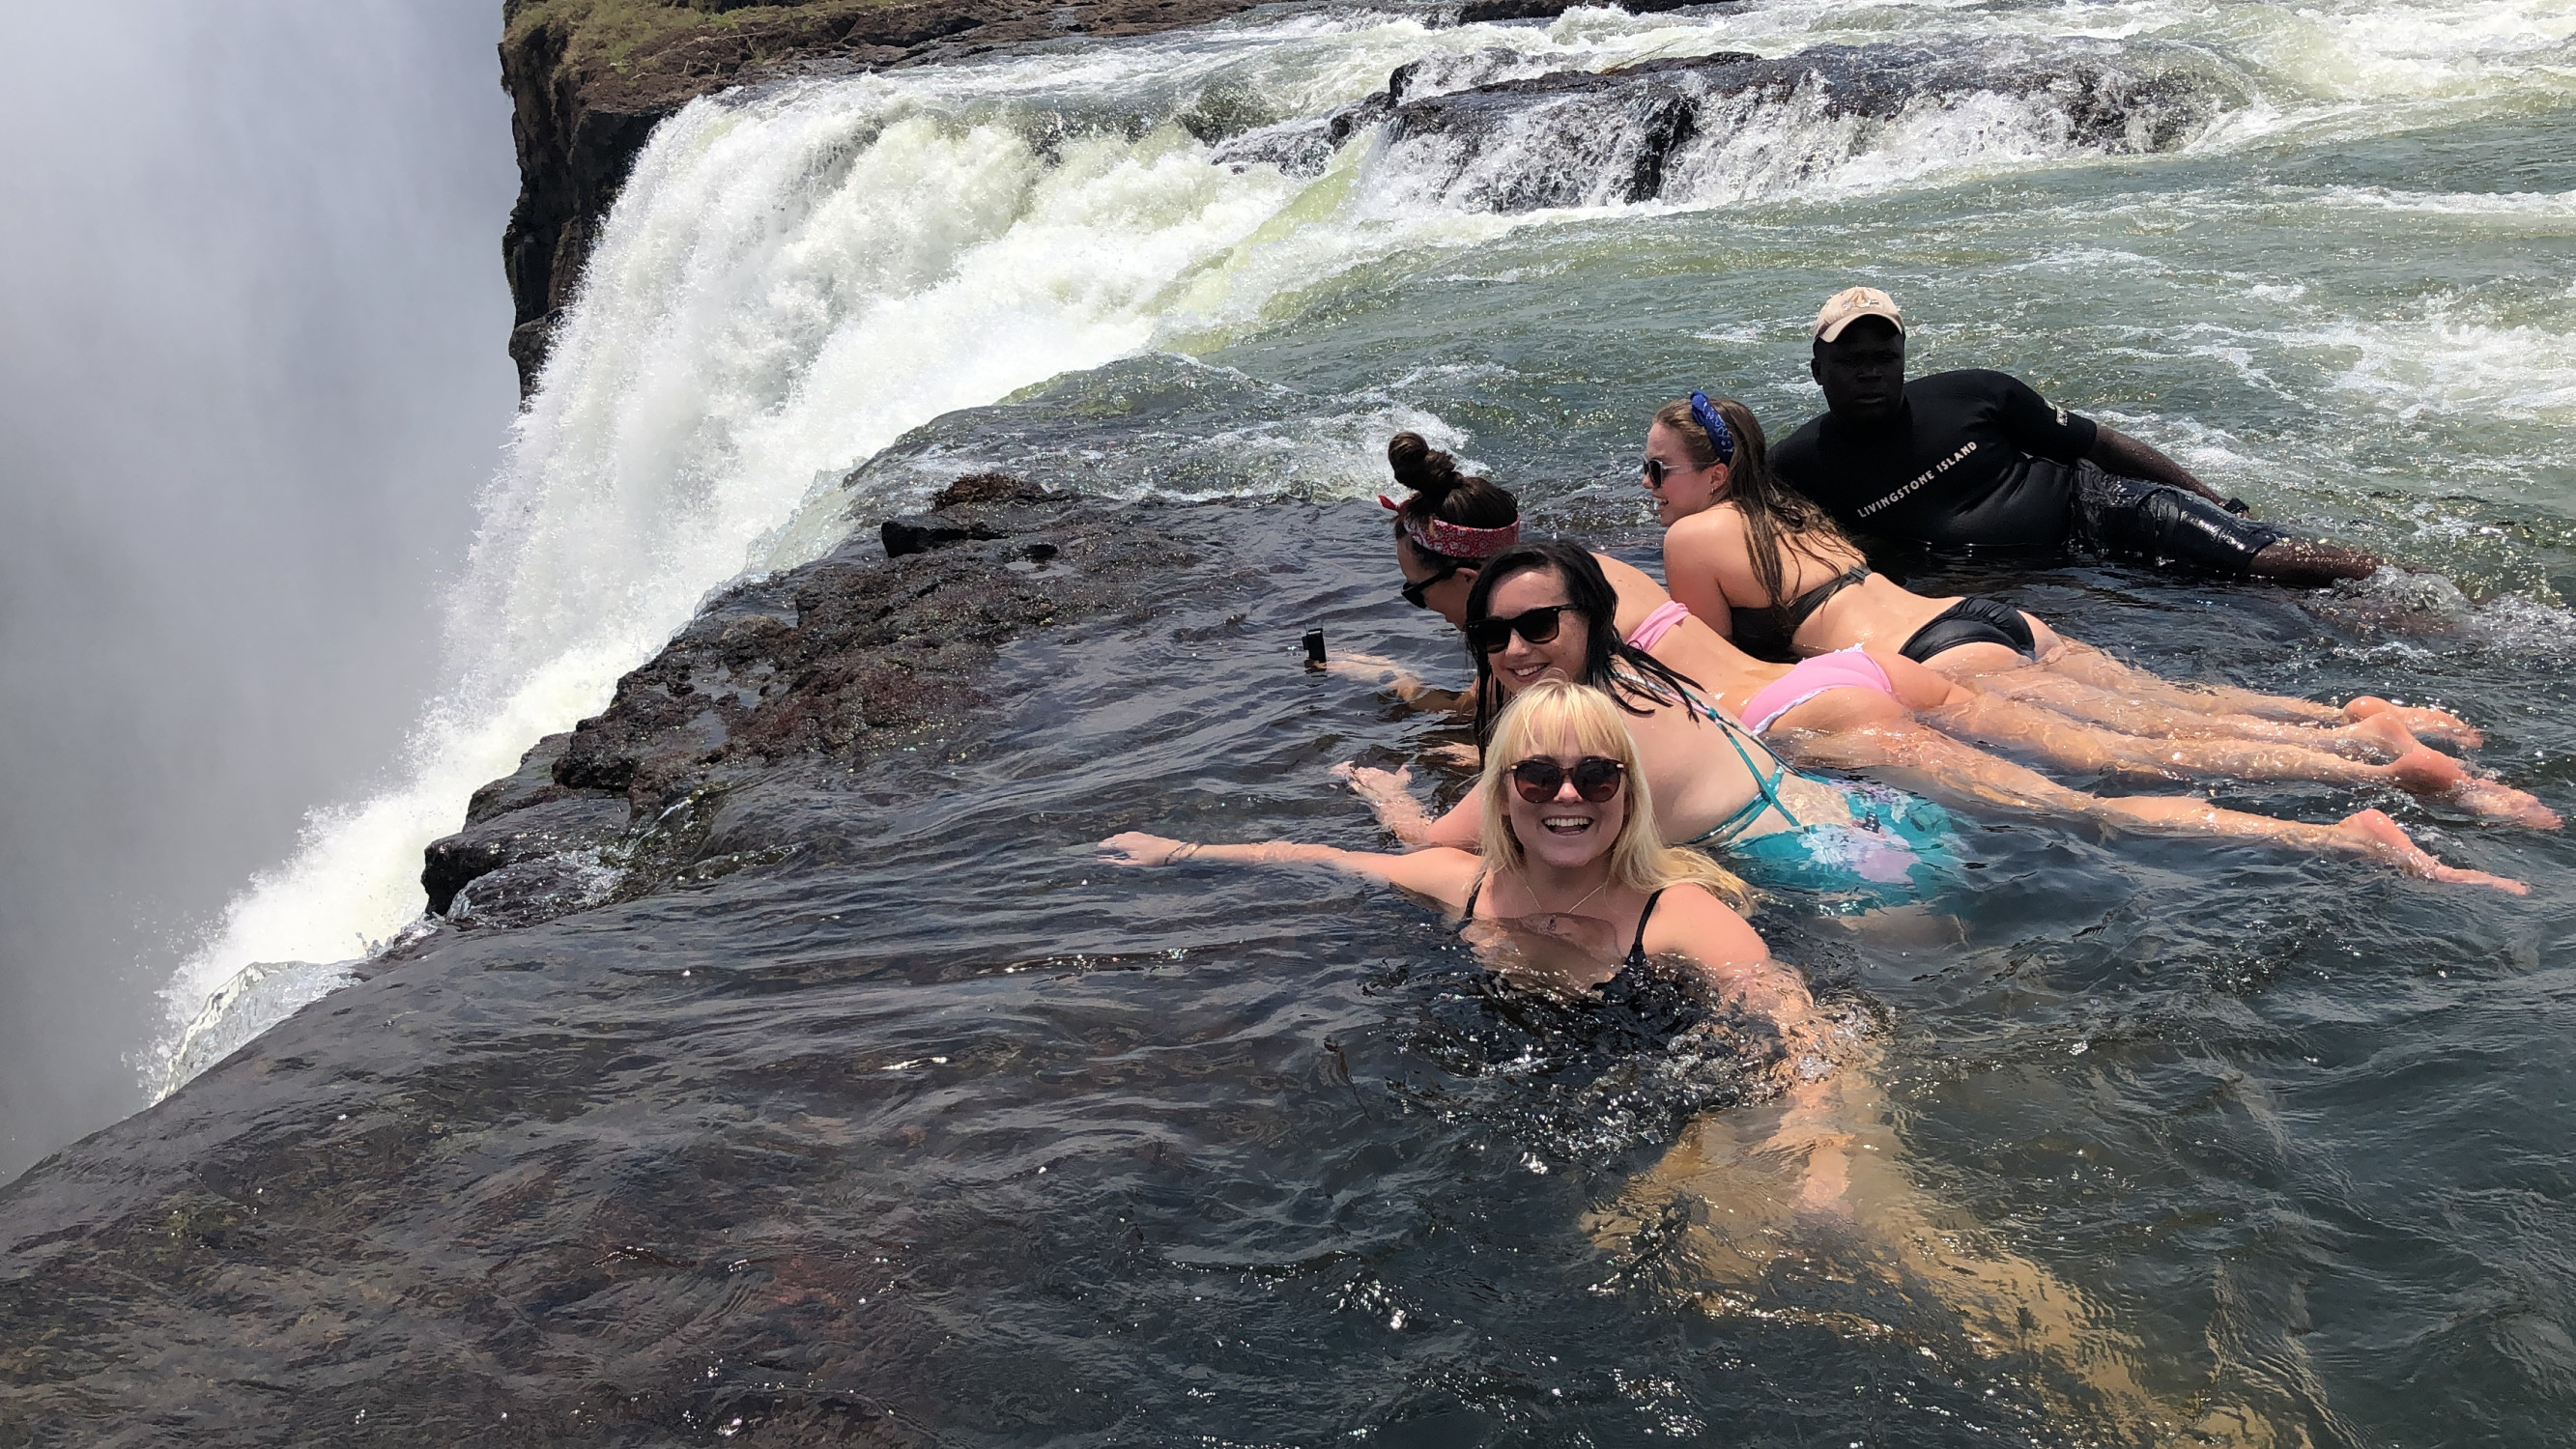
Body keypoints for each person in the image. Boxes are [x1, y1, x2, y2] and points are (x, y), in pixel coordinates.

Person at [1365, 542, 2522, 892]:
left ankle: (2338, 833)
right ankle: (2352, 752)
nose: (1512, 650)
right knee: (2117, 753)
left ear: (1578, 618)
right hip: (1851, 792)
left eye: (1528, 629)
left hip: (1837, 854)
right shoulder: (1638, 662)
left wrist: (1368, 787)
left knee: (2094, 808)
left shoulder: (1561, 734)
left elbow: (1439, 844)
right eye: (1494, 637)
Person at [1646, 390, 2556, 826]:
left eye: (1659, 471)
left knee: (2149, 748)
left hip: (1935, 657)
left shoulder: (1694, 539)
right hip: (1980, 617)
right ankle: (2355, 723)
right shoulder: (1786, 510)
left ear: (1713, 473)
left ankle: (2369, 771)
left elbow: (1716, 664)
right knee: (2181, 706)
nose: (1649, 487)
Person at [1102, 678, 1834, 1073]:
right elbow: (1319, 858)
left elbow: (1798, 1031)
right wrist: (1182, 853)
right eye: (1539, 777)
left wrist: (1821, 1154)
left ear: (1631, 794)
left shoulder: (1678, 917)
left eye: (1597, 777)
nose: (1569, 796)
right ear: (1502, 795)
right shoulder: (1464, 883)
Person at [1774, 286, 2381, 586]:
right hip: (2057, 579)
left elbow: (2102, 444)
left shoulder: (1978, 393)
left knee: (2254, 556)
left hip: (2098, 509)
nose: (1871, 371)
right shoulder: (1799, 464)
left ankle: (2407, 587)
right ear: (1817, 371)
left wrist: (2213, 499)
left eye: (1885, 355)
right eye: (1852, 361)